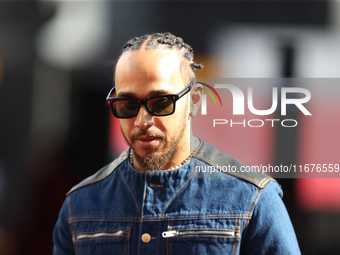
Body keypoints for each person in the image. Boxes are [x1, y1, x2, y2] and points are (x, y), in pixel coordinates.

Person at [53, 32, 301, 254]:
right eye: (127, 105)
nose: (143, 120)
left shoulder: (252, 199)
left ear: (193, 101)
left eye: (161, 103)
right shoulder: (80, 205)